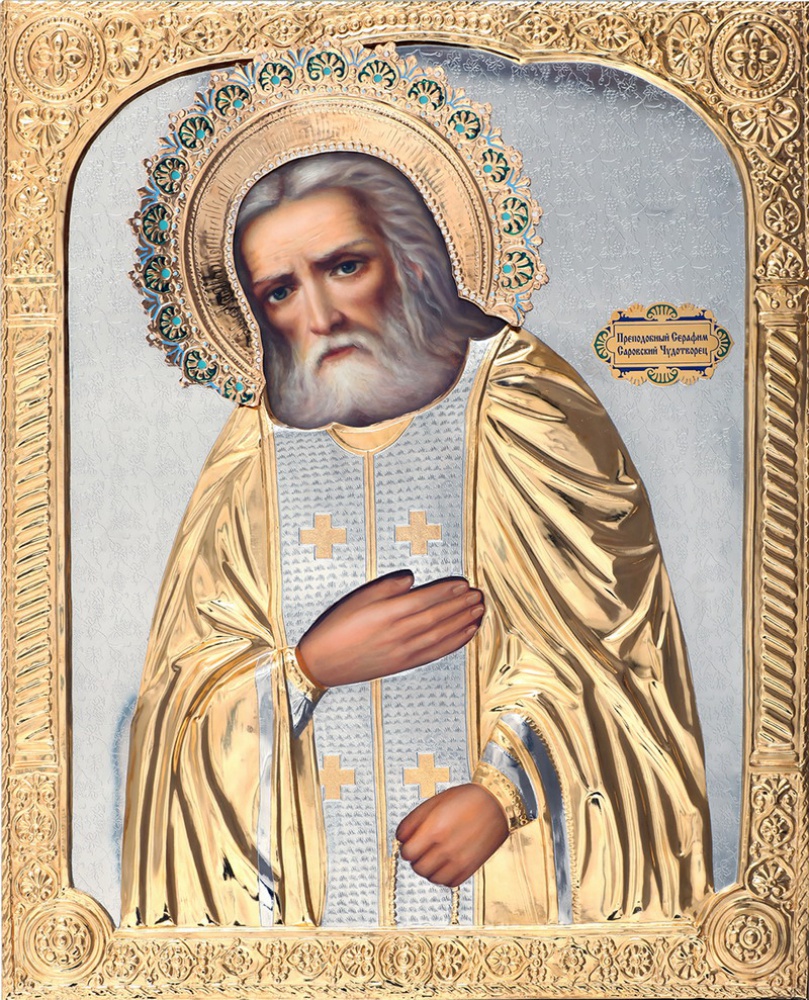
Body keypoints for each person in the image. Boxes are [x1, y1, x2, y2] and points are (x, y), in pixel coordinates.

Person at [121, 152, 712, 929]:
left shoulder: (521, 405)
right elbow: (181, 700)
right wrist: (307, 669)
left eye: (344, 267)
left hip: (510, 894)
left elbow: (613, 660)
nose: (320, 316)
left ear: (414, 262)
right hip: (318, 919)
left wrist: (506, 792)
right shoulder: (252, 455)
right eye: (280, 291)